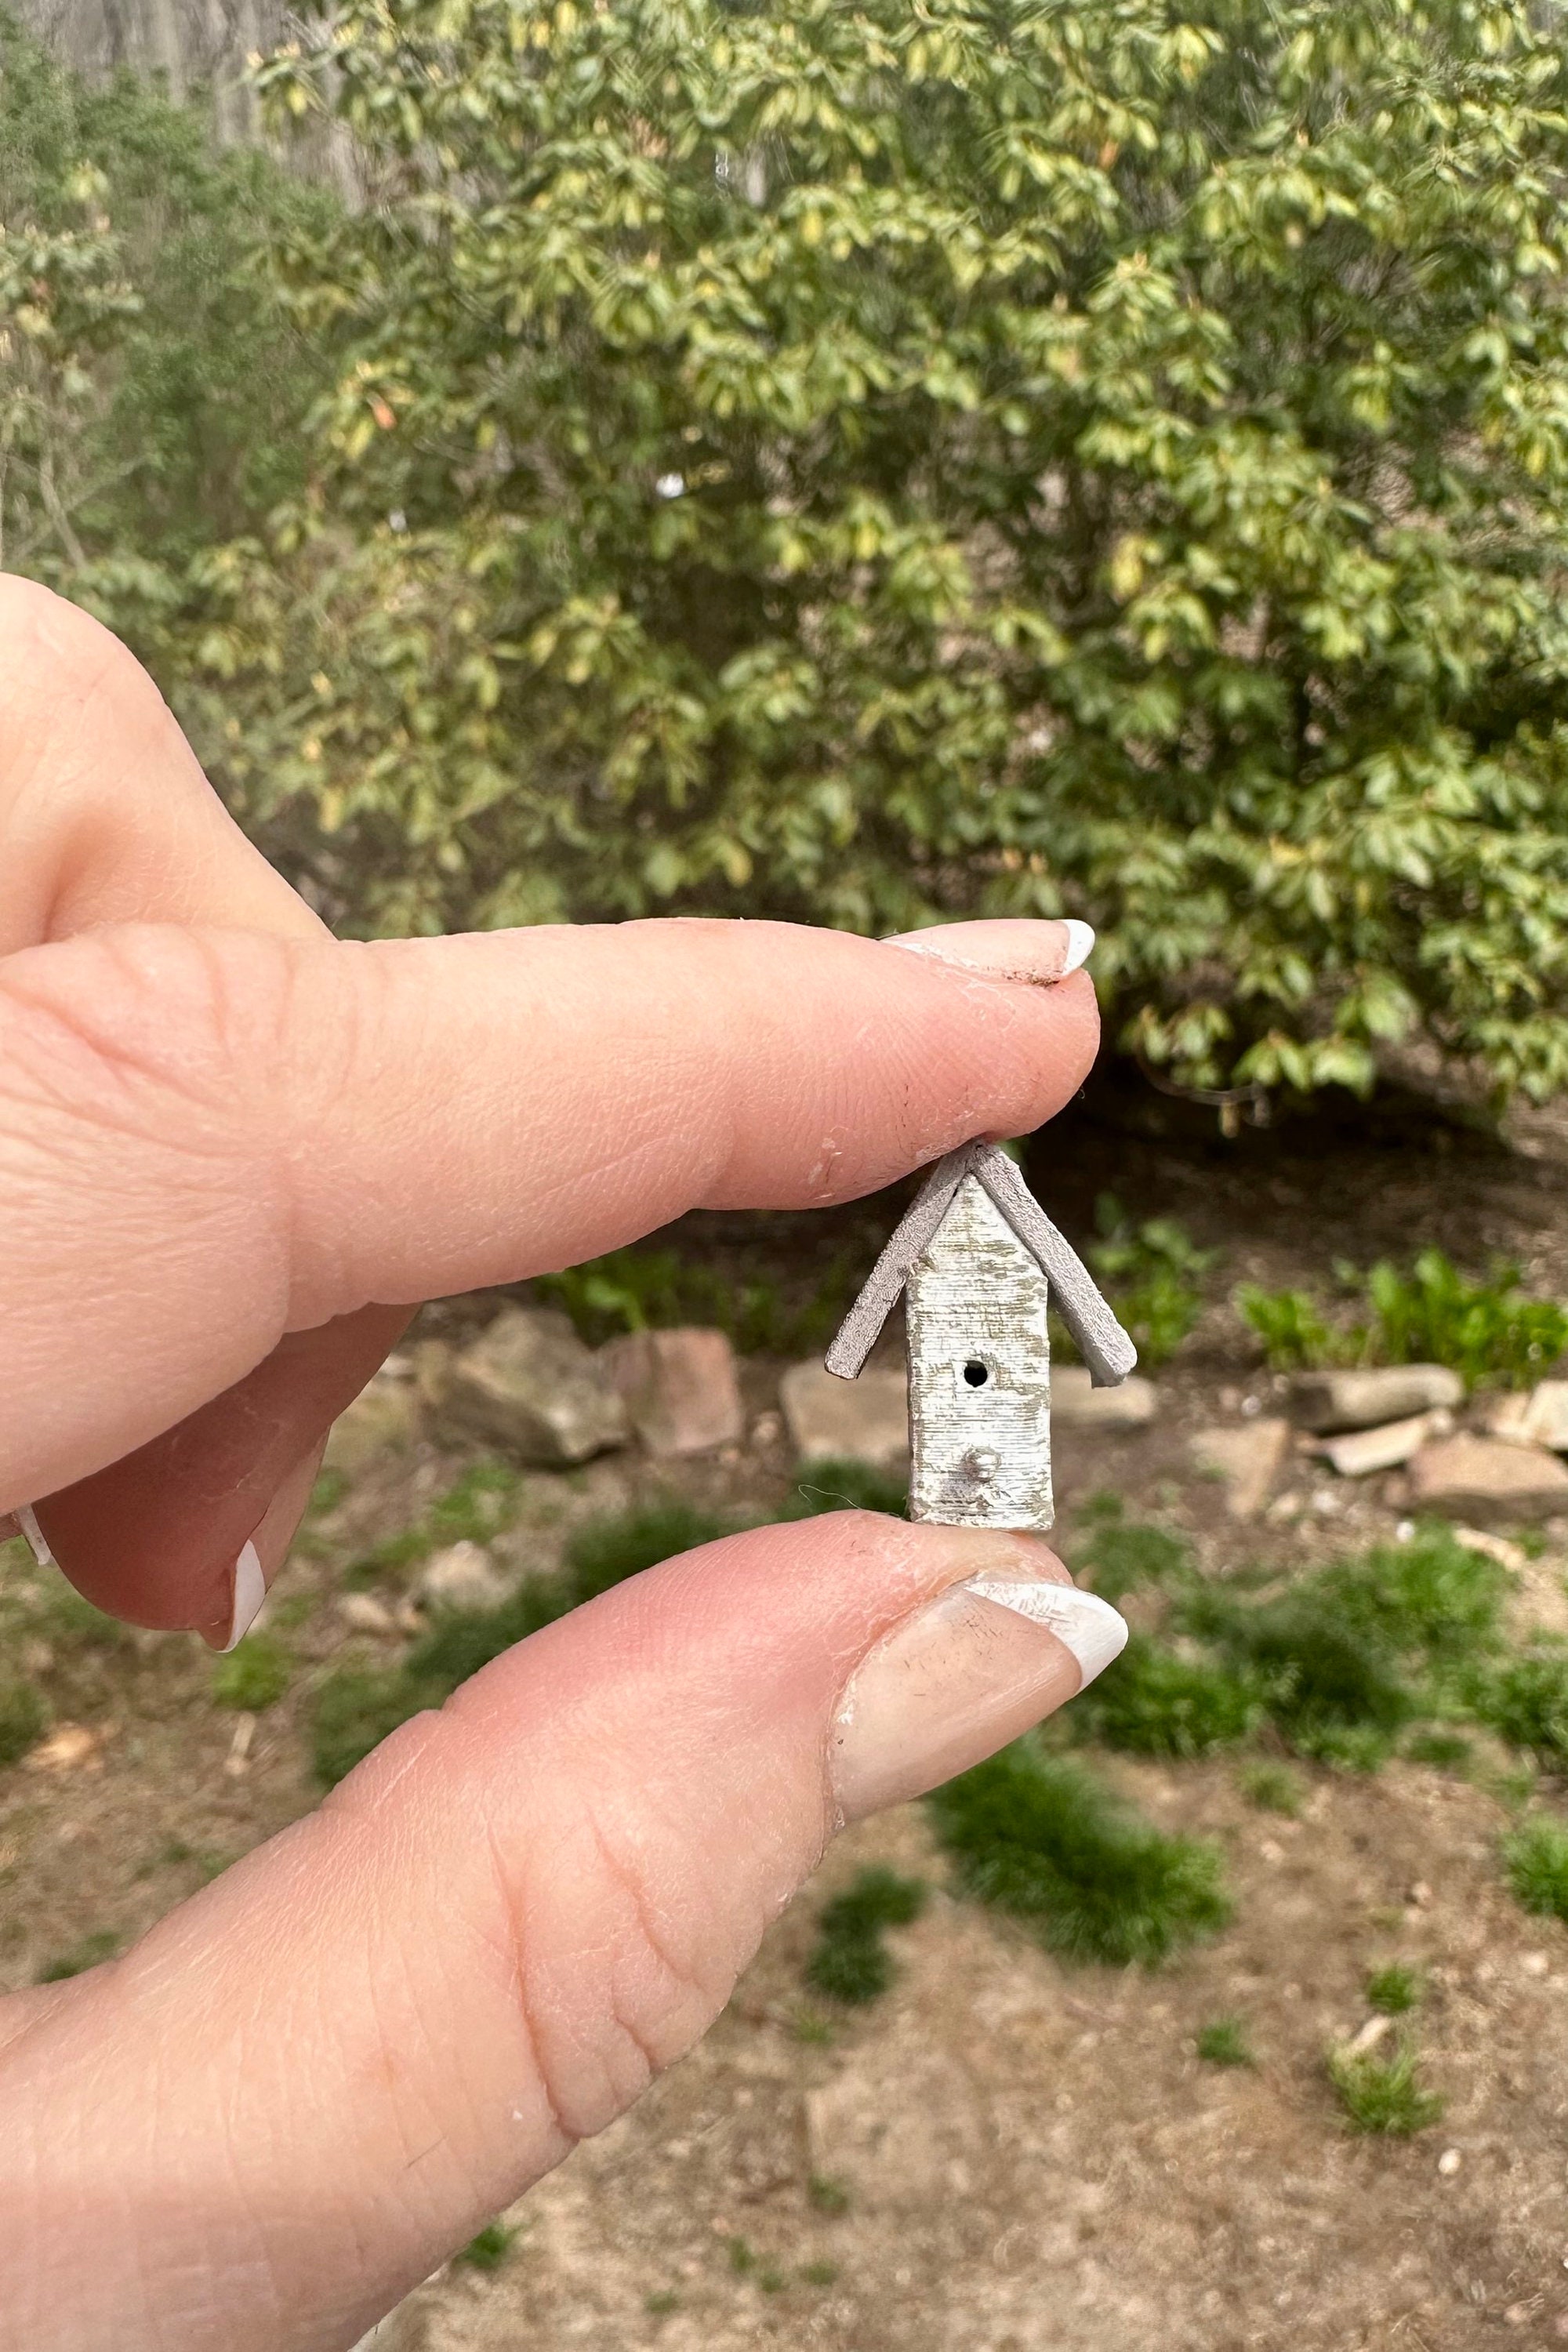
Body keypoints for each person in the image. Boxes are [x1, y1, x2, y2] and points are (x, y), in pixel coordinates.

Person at [0, 575, 1125, 2352]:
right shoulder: (960, 1254)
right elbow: (901, 1333)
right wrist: (877, 1351)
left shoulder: (984, 1250)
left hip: (976, 1456)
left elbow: (1022, 1325)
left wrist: (960, 1348)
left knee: (975, 1418)